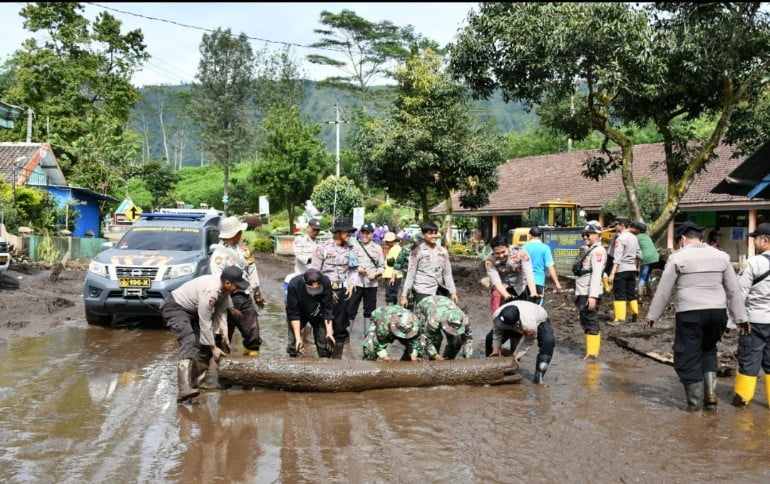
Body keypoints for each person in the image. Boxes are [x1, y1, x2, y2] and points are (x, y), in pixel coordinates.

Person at [644, 221, 748, 412]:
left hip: (690, 313)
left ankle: (695, 406)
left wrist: (652, 315)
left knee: (687, 356)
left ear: (683, 238)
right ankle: (710, 396)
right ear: (700, 237)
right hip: (717, 313)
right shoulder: (722, 256)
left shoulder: (678, 257)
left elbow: (664, 291)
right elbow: (733, 290)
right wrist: (740, 318)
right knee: (708, 350)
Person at [161, 265, 246, 403]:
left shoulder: (224, 290)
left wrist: (223, 333)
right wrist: (213, 347)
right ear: (228, 283)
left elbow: (220, 313)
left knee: (204, 343)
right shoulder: (210, 291)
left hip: (191, 310)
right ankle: (184, 388)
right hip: (175, 307)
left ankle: (197, 382)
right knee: (188, 340)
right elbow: (205, 321)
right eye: (237, 285)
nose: (238, 288)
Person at [209, 216, 263, 357]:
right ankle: (221, 370)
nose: (241, 234)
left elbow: (252, 269)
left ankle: (251, 364)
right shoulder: (218, 256)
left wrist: (257, 292)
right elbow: (219, 284)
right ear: (232, 234)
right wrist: (230, 306)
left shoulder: (243, 248)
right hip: (227, 299)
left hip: (244, 295)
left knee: (253, 335)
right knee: (224, 335)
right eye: (239, 231)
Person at [733, 223, 770, 407]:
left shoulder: (753, 264)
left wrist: (733, 323)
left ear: (764, 240)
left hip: (754, 321)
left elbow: (739, 295)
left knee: (748, 360)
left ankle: (742, 402)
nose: (754, 242)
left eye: (756, 238)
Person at [310, 217, 358, 359]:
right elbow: (314, 274)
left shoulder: (351, 249)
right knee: (322, 326)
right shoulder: (322, 248)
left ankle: (337, 361)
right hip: (324, 293)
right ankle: (324, 358)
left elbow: (353, 269)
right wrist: (324, 291)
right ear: (337, 232)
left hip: (342, 292)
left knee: (341, 328)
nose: (349, 233)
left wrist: (351, 283)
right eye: (346, 231)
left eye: (350, 231)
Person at [487, 300, 555, 384]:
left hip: (538, 319)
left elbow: (529, 341)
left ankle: (539, 376)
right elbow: (497, 332)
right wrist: (495, 351)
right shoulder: (497, 314)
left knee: (548, 342)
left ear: (515, 324)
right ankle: (490, 370)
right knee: (489, 338)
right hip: (514, 321)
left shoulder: (529, 324)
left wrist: (517, 356)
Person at [400, 221, 458, 308]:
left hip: (439, 291)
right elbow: (410, 275)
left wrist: (453, 292)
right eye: (430, 233)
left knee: (437, 319)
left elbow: (447, 274)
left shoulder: (442, 251)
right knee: (424, 319)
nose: (434, 236)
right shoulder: (417, 252)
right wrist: (404, 295)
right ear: (423, 235)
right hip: (422, 291)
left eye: (435, 233)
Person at [574, 221, 608, 359]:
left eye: (588, 234)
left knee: (591, 320)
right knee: (586, 319)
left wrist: (592, 296)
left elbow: (596, 274)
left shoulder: (598, 251)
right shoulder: (591, 249)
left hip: (589, 292)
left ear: (597, 235)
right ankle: (590, 351)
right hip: (583, 291)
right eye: (584, 234)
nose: (585, 237)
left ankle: (593, 353)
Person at [285, 268, 336, 358]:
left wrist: (329, 333)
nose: (314, 293)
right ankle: (293, 359)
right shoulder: (294, 285)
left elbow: (328, 309)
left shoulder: (326, 282)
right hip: (299, 311)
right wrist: (298, 338)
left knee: (324, 345)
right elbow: (294, 315)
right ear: (304, 281)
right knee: (294, 344)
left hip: (318, 311)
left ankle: (324, 361)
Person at [348, 222, 385, 335]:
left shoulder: (377, 248)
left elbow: (382, 267)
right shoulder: (354, 247)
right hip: (356, 283)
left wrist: (376, 274)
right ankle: (345, 336)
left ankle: (367, 336)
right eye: (363, 233)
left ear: (372, 234)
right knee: (350, 309)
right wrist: (357, 268)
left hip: (371, 284)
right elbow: (348, 263)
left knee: (369, 311)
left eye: (367, 233)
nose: (365, 235)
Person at [485, 234, 538, 313]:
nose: (501, 255)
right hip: (503, 289)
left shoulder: (521, 252)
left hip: (521, 288)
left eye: (503, 252)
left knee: (524, 313)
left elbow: (529, 273)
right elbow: (495, 281)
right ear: (493, 251)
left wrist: (533, 292)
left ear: (508, 247)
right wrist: (507, 296)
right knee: (504, 316)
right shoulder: (489, 260)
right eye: (497, 253)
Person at [414, 295, 473, 360]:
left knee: (456, 340)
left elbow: (468, 338)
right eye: (450, 330)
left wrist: (468, 356)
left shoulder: (464, 319)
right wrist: (435, 355)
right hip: (424, 307)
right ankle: (431, 359)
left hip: (444, 302)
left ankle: (448, 359)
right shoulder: (434, 321)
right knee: (436, 338)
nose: (452, 332)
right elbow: (426, 339)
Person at [607, 216, 641, 325]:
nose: (615, 226)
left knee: (619, 293)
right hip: (632, 269)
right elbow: (639, 254)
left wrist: (612, 273)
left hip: (621, 269)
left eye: (617, 224)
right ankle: (635, 314)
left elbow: (617, 258)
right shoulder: (634, 237)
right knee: (631, 293)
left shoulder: (620, 239)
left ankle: (620, 319)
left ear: (622, 225)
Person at [522, 226, 562, 304]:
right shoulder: (545, 248)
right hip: (538, 282)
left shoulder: (524, 247)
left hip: (525, 282)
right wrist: (557, 283)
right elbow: (550, 266)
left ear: (530, 235)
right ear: (541, 236)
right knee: (537, 308)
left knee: (525, 308)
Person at [629, 221, 659, 300]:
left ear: (637, 230)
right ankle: (650, 293)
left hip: (646, 258)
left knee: (642, 277)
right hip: (655, 258)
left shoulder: (636, 237)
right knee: (647, 275)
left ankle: (640, 296)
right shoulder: (647, 236)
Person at [382, 231, 403, 305]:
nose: (386, 243)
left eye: (387, 241)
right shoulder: (393, 248)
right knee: (391, 295)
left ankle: (390, 312)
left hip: (392, 276)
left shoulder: (396, 249)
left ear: (392, 241)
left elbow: (398, 263)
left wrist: (393, 277)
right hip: (390, 275)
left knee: (390, 295)